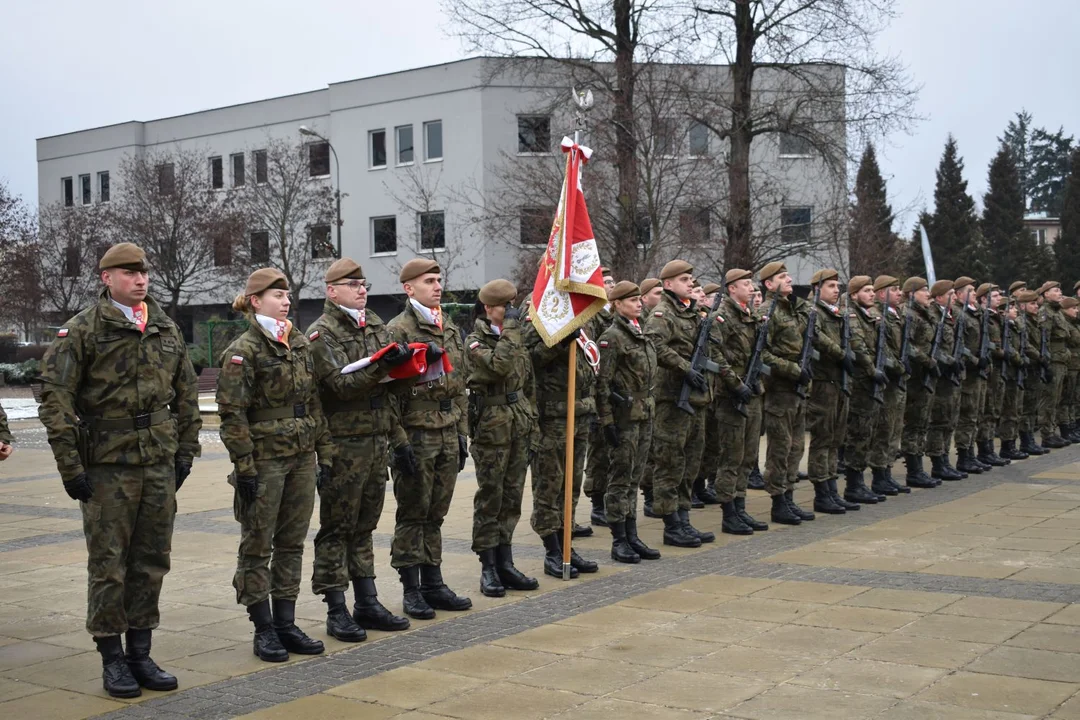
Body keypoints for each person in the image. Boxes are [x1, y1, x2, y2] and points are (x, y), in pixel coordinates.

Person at [38, 242, 201, 697]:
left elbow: (186, 393)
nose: (141, 280)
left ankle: (141, 653)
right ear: (106, 278)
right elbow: (55, 398)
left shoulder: (164, 326)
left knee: (151, 560)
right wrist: (70, 466)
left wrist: (186, 452)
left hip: (158, 460)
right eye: (129, 273)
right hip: (108, 464)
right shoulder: (84, 330)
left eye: (144, 272)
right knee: (109, 563)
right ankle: (112, 658)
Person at [217, 268, 331, 663]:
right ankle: (263, 627)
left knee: (291, 543)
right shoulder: (244, 350)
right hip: (265, 460)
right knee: (257, 544)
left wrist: (324, 453)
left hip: (301, 456)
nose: (286, 301)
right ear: (255, 301)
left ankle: (286, 622)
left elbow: (315, 403)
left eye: (287, 295)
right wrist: (244, 466)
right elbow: (232, 414)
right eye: (277, 295)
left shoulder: (297, 342)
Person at [306, 258, 413, 642]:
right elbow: (341, 385)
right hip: (342, 446)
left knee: (365, 526)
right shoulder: (322, 334)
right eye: (352, 285)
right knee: (337, 528)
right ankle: (336, 608)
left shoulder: (377, 326)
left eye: (363, 284)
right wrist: (381, 368)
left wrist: (407, 369)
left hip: (374, 440)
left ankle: (367, 601)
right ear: (331, 291)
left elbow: (386, 390)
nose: (361, 290)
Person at [386, 258, 473, 617]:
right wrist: (399, 441)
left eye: (439, 280)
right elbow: (388, 392)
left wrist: (463, 433)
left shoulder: (447, 326)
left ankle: (434, 582)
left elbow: (460, 384)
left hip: (448, 429)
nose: (437, 286)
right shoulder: (399, 329)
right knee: (413, 513)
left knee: (436, 512)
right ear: (409, 288)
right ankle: (411, 589)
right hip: (416, 432)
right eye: (428, 281)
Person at [646, 260, 736, 546]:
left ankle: (684, 518)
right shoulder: (663, 313)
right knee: (670, 463)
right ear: (668, 284)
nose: (691, 283)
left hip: (697, 399)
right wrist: (685, 367)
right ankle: (671, 524)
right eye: (684, 279)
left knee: (690, 463)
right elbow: (655, 346)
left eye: (691, 279)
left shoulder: (694, 313)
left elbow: (713, 349)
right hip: (673, 400)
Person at [465, 279, 541, 596]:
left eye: (514, 305)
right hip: (491, 430)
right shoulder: (473, 341)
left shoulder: (516, 337)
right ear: (488, 309)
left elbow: (529, 384)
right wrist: (511, 329)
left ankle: (506, 561)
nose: (512, 312)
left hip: (519, 423)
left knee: (512, 498)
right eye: (505, 307)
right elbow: (499, 365)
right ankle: (488, 566)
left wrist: (533, 424)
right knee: (490, 498)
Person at [522, 297, 600, 578]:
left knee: (572, 484)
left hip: (579, 411)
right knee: (550, 484)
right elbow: (529, 358)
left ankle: (567, 543)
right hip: (553, 414)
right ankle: (552, 549)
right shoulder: (537, 310)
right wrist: (558, 342)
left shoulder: (580, 308)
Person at [597, 281, 660, 561]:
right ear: (617, 304)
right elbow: (602, 384)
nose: (638, 304)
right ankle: (619, 538)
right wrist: (607, 422)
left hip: (643, 413)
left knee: (635, 477)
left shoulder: (639, 332)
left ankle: (633, 535)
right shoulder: (611, 337)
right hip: (623, 418)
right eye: (632, 300)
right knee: (620, 479)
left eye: (639, 300)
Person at [711, 269, 770, 534]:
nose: (752, 288)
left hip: (753, 392)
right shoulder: (720, 317)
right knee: (731, 457)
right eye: (746, 284)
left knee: (747, 456)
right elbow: (715, 355)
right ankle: (728, 513)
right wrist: (736, 384)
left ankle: (741, 506)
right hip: (731, 396)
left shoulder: (751, 315)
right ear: (732, 288)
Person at [758, 262, 815, 524]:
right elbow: (762, 354)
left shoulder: (791, 308)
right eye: (783, 277)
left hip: (798, 389)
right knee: (780, 449)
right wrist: (792, 369)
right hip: (780, 390)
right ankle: (778, 502)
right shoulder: (766, 312)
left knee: (796, 446)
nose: (790, 279)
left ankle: (789, 497)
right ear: (769, 284)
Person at [804, 269, 859, 514]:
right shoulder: (811, 312)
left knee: (836, 440)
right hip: (822, 383)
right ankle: (821, 493)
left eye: (838, 286)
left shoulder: (837, 313)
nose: (837, 290)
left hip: (839, 382)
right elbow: (816, 338)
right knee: (823, 438)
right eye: (831, 286)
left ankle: (832, 488)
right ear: (817, 289)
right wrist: (841, 354)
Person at [841, 276, 887, 505]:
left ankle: (860, 482)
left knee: (867, 432)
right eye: (866, 290)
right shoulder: (852, 317)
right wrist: (872, 370)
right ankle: (853, 485)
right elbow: (858, 346)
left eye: (872, 290)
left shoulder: (870, 315)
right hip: (860, 382)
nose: (872, 294)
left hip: (869, 382)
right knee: (857, 434)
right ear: (853, 294)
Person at [582, 267, 617, 533]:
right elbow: (590, 360)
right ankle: (597, 504)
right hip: (596, 395)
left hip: (612, 394)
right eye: (605, 282)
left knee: (609, 452)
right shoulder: (591, 317)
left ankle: (605, 500)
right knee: (598, 454)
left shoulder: (613, 317)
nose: (610, 285)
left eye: (612, 281)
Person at [867, 275, 909, 496]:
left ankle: (887, 473)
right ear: (881, 293)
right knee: (884, 429)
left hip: (898, 380)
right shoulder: (877, 316)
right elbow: (882, 347)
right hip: (888, 380)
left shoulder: (898, 315)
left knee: (894, 429)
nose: (899, 293)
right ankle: (879, 476)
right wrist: (897, 365)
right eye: (894, 289)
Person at [898, 277, 940, 488]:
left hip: (926, 373)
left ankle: (919, 468)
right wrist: (928, 361)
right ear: (912, 293)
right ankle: (914, 470)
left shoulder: (925, 313)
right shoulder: (909, 314)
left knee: (922, 422)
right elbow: (907, 346)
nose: (928, 294)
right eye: (924, 290)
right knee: (914, 424)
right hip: (915, 375)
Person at [926, 280, 965, 480]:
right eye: (950, 294)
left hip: (950, 374)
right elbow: (933, 346)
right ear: (939, 297)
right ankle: (937, 462)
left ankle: (944, 459)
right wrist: (949, 361)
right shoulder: (933, 315)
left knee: (950, 418)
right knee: (939, 419)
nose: (955, 297)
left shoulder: (950, 315)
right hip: (940, 374)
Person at [951, 278, 989, 474]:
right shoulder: (959, 314)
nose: (974, 293)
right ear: (958, 294)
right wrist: (975, 360)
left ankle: (971, 454)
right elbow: (958, 345)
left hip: (977, 373)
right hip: (967, 372)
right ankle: (964, 456)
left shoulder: (975, 314)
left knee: (975, 414)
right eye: (970, 290)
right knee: (967, 415)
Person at [975, 285, 1010, 467]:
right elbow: (986, 343)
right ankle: (984, 449)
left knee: (995, 409)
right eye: (994, 296)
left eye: (998, 295)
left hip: (998, 368)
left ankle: (989, 448)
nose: (999, 299)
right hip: (990, 367)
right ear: (983, 299)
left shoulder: (997, 318)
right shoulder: (984, 317)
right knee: (988, 409)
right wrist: (1001, 352)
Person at [638, 276, 662, 519]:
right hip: (646, 396)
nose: (661, 298)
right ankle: (649, 492)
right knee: (651, 451)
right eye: (657, 294)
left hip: (653, 395)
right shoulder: (647, 323)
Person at [1037, 282, 1072, 448]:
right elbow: (1044, 338)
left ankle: (1051, 430)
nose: (1060, 293)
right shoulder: (1046, 312)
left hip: (1061, 359)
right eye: (1055, 290)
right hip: (1053, 359)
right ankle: (1046, 434)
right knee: (1049, 399)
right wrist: (1046, 362)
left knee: (1056, 398)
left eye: (1060, 290)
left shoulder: (1057, 312)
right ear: (1045, 295)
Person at [1019, 290, 1049, 455]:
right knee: (1027, 406)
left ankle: (1029, 438)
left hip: (1035, 367)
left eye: (1036, 304)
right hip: (1029, 367)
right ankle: (1025, 440)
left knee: (1032, 406)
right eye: (1032, 304)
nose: (1036, 307)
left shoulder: (1034, 321)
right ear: (1022, 305)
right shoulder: (1023, 322)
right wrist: (1040, 357)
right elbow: (1026, 344)